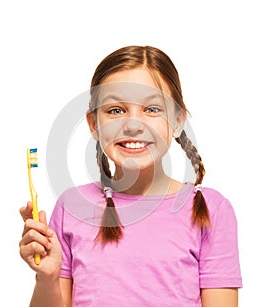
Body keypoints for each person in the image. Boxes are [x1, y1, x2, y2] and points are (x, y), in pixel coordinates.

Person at [19, 45, 242, 307]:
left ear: (178, 120)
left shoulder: (210, 209)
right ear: (94, 124)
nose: (133, 125)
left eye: (152, 109)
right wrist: (47, 278)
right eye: (115, 110)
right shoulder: (72, 206)